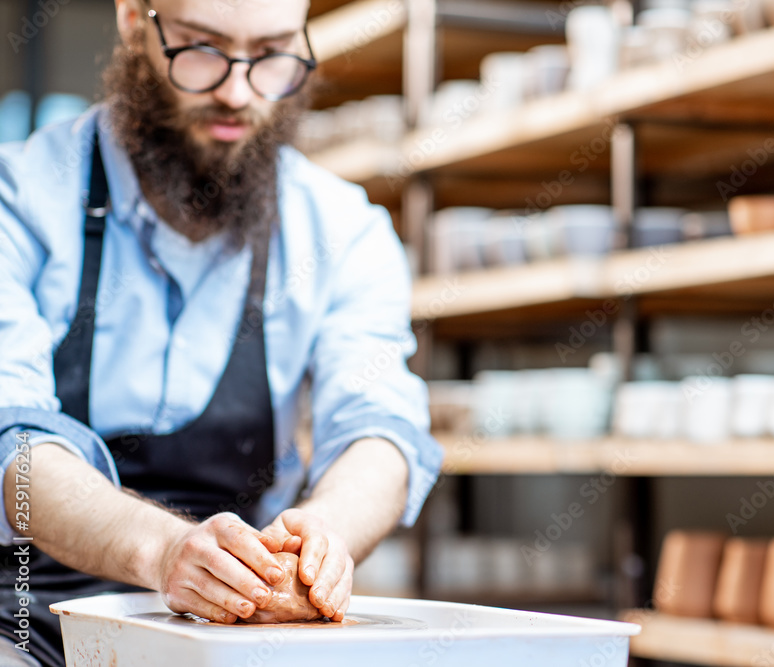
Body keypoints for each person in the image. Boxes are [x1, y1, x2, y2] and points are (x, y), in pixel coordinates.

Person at [0, 0, 443, 664]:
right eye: (202, 48)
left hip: (229, 626)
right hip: (27, 620)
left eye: (270, 54)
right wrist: (166, 549)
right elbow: (16, 447)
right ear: (132, 20)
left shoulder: (342, 230)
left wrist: (327, 534)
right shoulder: (24, 198)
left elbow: (381, 428)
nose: (238, 93)